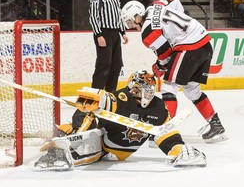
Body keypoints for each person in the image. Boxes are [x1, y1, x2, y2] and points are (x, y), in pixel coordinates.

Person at [34, 70, 206, 170]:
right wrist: (95, 98)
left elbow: (166, 135)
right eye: (144, 89)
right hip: (103, 141)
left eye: (151, 89)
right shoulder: (123, 97)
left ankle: (67, 139)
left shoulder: (158, 107)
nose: (149, 93)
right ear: (134, 88)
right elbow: (107, 99)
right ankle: (65, 147)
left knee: (175, 144)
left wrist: (178, 149)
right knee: (85, 118)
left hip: (121, 152)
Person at [121, 0, 228, 143]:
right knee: (192, 90)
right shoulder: (155, 5)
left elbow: (165, 54)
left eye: (130, 21)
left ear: (138, 15)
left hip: (189, 48)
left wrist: (158, 67)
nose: (131, 26)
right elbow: (175, 1)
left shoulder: (147, 31)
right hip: (205, 43)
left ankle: (165, 131)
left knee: (168, 87)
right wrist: (179, 30)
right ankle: (215, 125)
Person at [88, 0, 128, 92]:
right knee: (104, 64)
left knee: (117, 65)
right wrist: (98, 35)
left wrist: (123, 32)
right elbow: (93, 16)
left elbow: (118, 14)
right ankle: (96, 93)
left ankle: (111, 94)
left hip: (115, 33)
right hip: (103, 33)